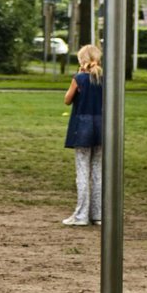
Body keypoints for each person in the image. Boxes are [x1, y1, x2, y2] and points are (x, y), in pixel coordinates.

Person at [62, 44, 104, 226]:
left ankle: (81, 215)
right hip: (102, 125)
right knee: (98, 171)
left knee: (82, 170)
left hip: (83, 126)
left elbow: (67, 100)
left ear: (82, 60)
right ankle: (98, 214)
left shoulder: (79, 78)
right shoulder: (105, 79)